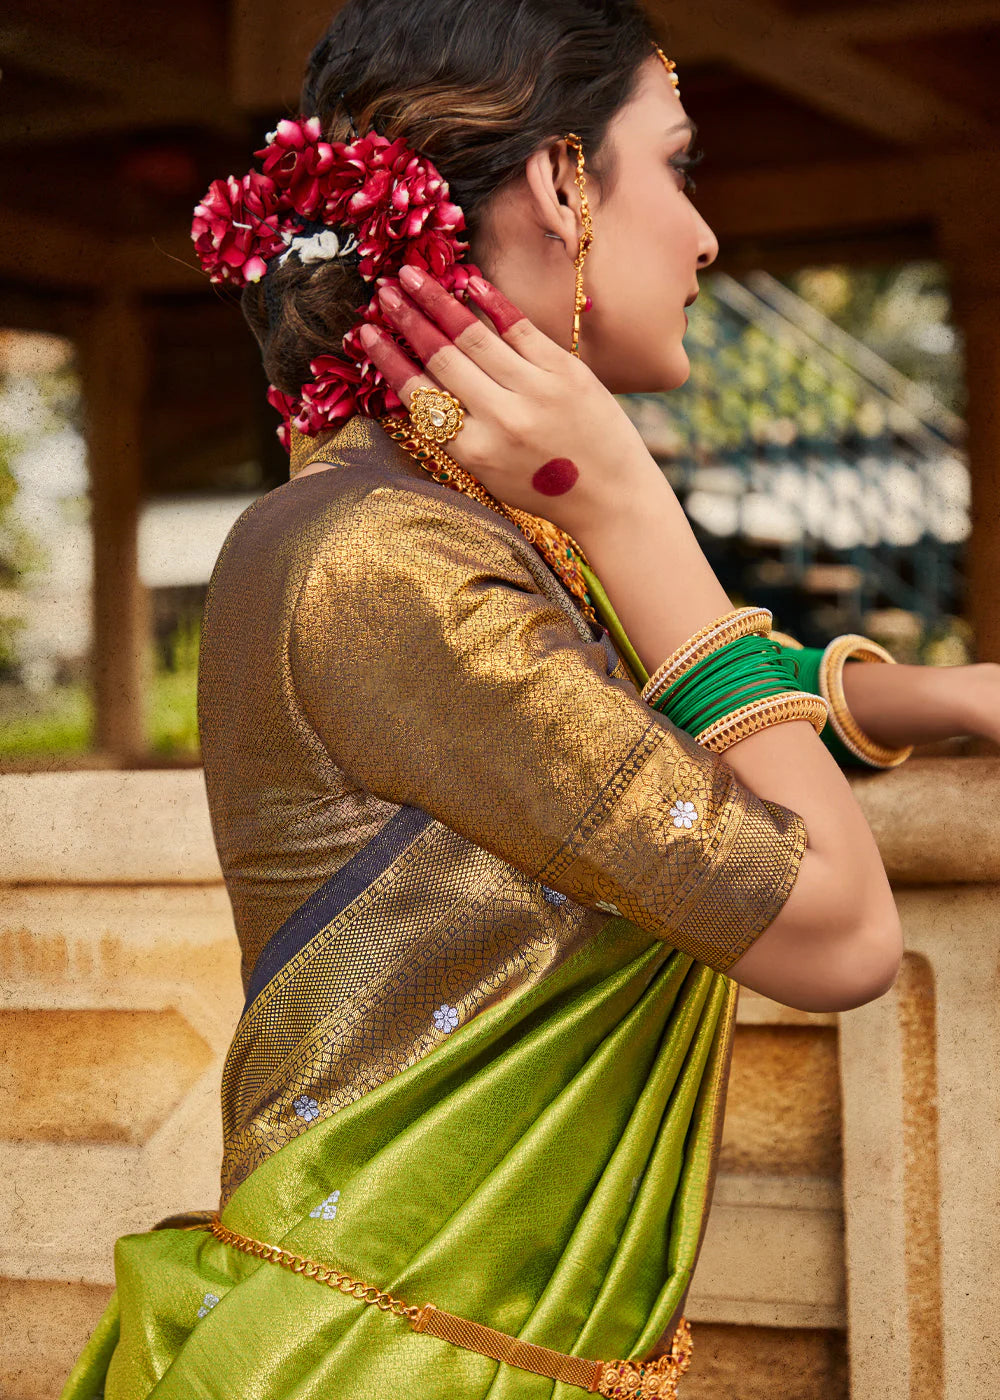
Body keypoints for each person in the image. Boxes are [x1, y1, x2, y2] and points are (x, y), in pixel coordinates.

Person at [61, 2, 1000, 1397]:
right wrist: (632, 502)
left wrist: (934, 695)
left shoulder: (443, 531)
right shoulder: (386, 559)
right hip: (386, 1367)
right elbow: (841, 933)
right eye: (676, 166)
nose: (704, 236)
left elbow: (654, 721)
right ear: (563, 186)